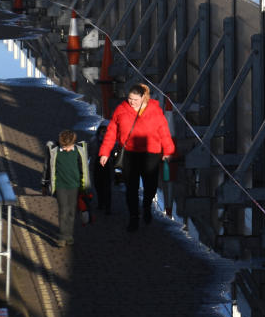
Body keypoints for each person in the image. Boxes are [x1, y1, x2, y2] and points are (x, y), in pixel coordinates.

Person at [99, 83, 174, 232]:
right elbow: (111, 132)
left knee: (151, 186)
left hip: (150, 154)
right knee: (131, 188)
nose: (131, 102)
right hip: (129, 154)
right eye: (130, 98)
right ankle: (134, 217)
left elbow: (164, 132)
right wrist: (105, 152)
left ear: (143, 98)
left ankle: (146, 207)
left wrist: (168, 150)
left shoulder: (155, 111)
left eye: (135, 99)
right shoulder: (121, 110)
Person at [43, 130, 90, 246]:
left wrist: (84, 185)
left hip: (74, 186)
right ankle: (63, 236)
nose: (65, 149)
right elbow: (47, 168)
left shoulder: (78, 152)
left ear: (73, 143)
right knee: (63, 210)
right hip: (60, 185)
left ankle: (69, 235)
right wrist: (44, 183)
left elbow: (82, 168)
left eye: (68, 147)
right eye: (63, 146)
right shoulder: (55, 151)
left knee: (71, 211)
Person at [92, 122, 113, 214]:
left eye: (106, 131)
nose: (104, 133)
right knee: (98, 186)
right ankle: (100, 203)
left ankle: (108, 207)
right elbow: (90, 153)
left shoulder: (113, 142)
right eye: (103, 131)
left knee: (107, 188)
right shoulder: (93, 140)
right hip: (97, 166)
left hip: (108, 167)